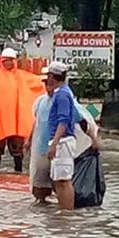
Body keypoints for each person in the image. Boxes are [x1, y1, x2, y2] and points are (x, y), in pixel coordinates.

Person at [26, 72, 99, 204]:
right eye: (46, 84)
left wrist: (93, 138)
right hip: (42, 148)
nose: (48, 87)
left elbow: (81, 121)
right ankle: (45, 211)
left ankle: (65, 214)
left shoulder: (65, 99)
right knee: (39, 186)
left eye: (50, 84)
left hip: (59, 147)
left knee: (61, 181)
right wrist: (29, 140)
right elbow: (37, 122)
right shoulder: (40, 102)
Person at [46, 62, 78, 210]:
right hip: (61, 140)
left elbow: (63, 120)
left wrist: (54, 144)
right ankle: (63, 211)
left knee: (64, 181)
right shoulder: (62, 92)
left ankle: (67, 213)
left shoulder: (63, 95)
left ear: (52, 76)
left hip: (63, 141)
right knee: (58, 180)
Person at [0, 48, 26, 173]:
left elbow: (35, 82)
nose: (8, 63)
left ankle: (18, 172)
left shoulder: (21, 76)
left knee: (17, 148)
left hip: (16, 120)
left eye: (10, 61)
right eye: (5, 61)